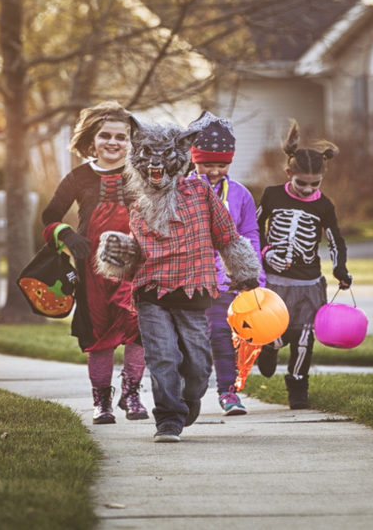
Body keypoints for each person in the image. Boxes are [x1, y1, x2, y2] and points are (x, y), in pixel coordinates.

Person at [94, 115, 262, 443]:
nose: (156, 168)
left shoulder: (199, 191)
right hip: (151, 294)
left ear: (180, 158)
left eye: (164, 160)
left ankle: (188, 399)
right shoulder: (136, 200)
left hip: (194, 292)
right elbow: (136, 254)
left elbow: (226, 234)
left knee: (198, 366)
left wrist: (245, 273)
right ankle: (168, 420)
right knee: (162, 357)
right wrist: (118, 254)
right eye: (149, 160)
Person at [40, 101, 148, 425]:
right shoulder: (78, 177)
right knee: (98, 335)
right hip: (92, 271)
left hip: (136, 266)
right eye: (105, 136)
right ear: (92, 140)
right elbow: (49, 216)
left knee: (137, 331)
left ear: (131, 141)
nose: (113, 142)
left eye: (121, 136)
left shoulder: (140, 173)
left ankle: (132, 393)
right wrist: (65, 234)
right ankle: (102, 401)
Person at [254, 120, 353, 410]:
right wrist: (266, 251)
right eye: (301, 183)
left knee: (304, 337)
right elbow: (253, 228)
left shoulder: (324, 205)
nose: (308, 189)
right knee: (275, 331)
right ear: (289, 174)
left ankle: (298, 385)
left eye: (315, 184)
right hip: (274, 282)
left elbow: (336, 240)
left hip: (308, 284)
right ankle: (268, 346)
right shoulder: (272, 195)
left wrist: (340, 269)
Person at [185, 110, 265, 416]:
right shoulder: (180, 189)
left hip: (225, 283)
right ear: (194, 159)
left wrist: (254, 276)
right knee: (190, 343)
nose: (215, 170)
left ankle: (228, 393)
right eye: (207, 164)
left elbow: (250, 236)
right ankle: (186, 392)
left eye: (222, 164)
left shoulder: (241, 195)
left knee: (221, 335)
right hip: (189, 280)